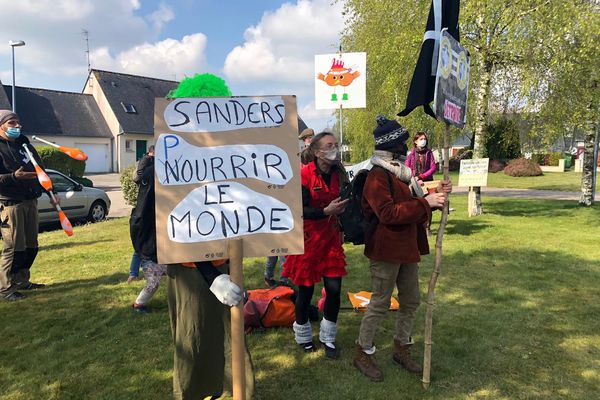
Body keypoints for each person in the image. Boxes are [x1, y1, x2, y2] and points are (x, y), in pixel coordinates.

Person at [353, 116, 451, 382]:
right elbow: (387, 213)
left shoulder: (399, 171)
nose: (408, 145)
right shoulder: (377, 175)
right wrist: (426, 203)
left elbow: (413, 198)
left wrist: (434, 192)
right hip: (385, 249)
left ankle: (401, 348)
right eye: (402, 140)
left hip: (406, 247)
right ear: (391, 144)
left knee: (410, 300)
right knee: (380, 302)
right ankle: (362, 352)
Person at [282, 131, 349, 359]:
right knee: (306, 291)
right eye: (330, 145)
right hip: (308, 240)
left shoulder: (339, 173)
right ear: (318, 151)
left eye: (336, 144)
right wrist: (324, 211)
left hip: (330, 240)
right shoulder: (304, 174)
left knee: (334, 290)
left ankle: (328, 337)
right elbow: (298, 209)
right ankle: (303, 335)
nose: (335, 148)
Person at [0, 110, 54, 301]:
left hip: (30, 200)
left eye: (18, 123)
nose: (17, 126)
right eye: (11, 123)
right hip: (10, 204)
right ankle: (5, 288)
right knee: (13, 247)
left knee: (31, 246)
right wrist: (14, 177)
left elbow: (41, 171)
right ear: (1, 126)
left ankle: (22, 280)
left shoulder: (24, 144)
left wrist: (50, 192)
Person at [129, 145, 167, 312]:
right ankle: (139, 303)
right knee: (154, 281)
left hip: (157, 245)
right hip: (149, 247)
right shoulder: (150, 172)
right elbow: (138, 177)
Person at [127, 145, 155, 285]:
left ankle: (134, 273)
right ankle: (133, 273)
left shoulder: (149, 162)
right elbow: (138, 177)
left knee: (142, 244)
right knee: (141, 245)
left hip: (147, 208)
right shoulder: (147, 161)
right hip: (145, 209)